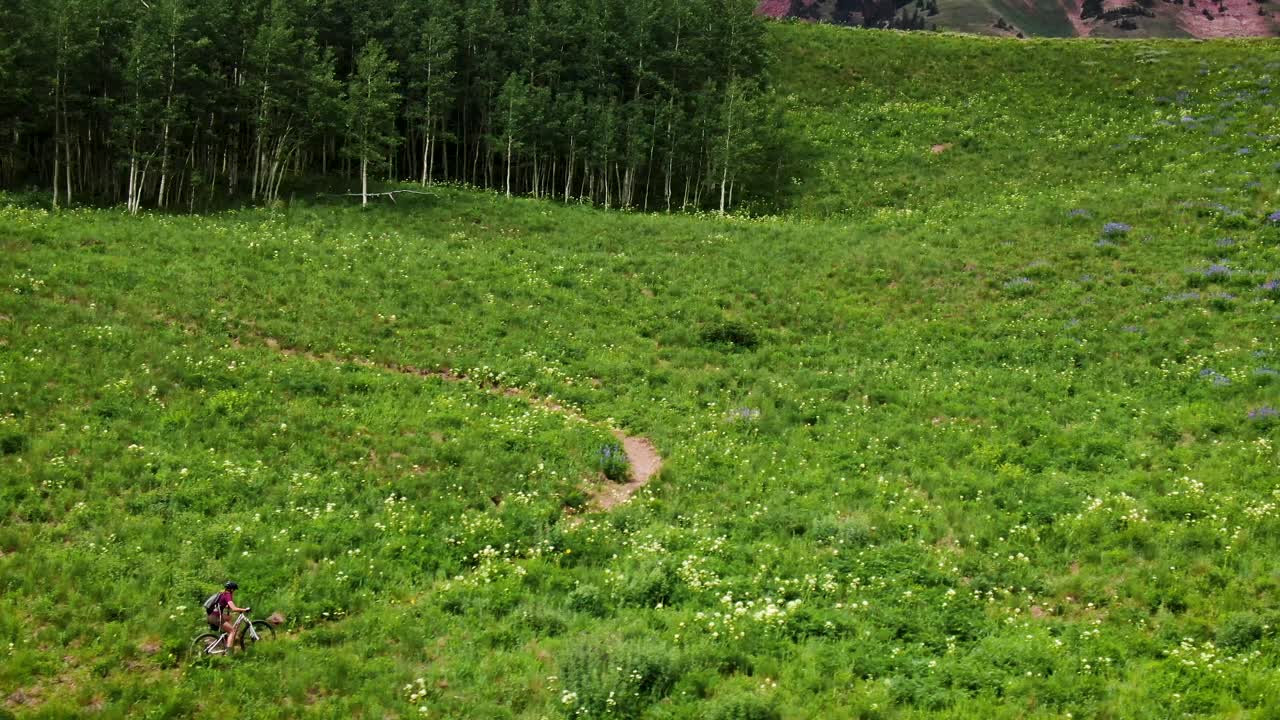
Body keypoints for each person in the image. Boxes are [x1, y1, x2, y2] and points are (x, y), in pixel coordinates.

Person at [207, 581, 250, 652]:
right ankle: (229, 652)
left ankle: (228, 636)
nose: (234, 591)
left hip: (211, 616)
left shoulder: (222, 594)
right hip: (216, 617)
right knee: (232, 631)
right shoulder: (228, 595)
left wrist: (228, 607)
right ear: (232, 589)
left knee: (229, 617)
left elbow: (222, 604)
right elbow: (233, 608)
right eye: (234, 590)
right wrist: (245, 609)